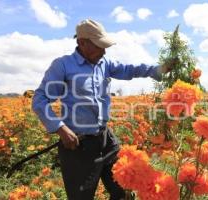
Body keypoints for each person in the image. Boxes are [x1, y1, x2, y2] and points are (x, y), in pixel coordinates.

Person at [32, 19, 174, 200]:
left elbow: (129, 70)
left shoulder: (104, 63)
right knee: (81, 197)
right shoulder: (63, 66)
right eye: (99, 46)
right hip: (79, 147)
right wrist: (61, 129)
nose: (104, 51)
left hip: (106, 140)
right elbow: (39, 100)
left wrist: (159, 70)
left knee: (124, 190)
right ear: (82, 43)